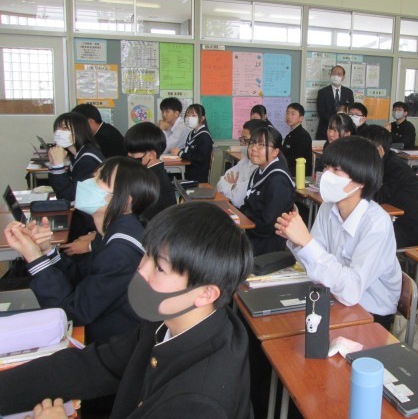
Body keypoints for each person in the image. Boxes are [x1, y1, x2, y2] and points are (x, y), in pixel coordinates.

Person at [0, 202, 253, 419]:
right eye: (147, 255)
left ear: (206, 293)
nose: (141, 270)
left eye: (160, 268)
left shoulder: (198, 401)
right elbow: (96, 365)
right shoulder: (171, 319)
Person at [3, 157, 158, 343]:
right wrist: (46, 251)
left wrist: (35, 259)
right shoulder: (112, 231)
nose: (88, 183)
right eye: (94, 176)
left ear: (125, 202)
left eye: (100, 179)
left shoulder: (120, 252)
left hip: (110, 345)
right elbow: (83, 279)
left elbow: (70, 313)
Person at [276, 136, 402, 328]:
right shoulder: (328, 208)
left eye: (336, 170)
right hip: (333, 296)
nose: (327, 175)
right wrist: (297, 240)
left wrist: (307, 242)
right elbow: (315, 265)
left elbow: (352, 291)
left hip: (370, 311)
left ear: (361, 180)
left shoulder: (377, 224)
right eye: (327, 168)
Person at [360, 126, 418, 248]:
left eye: (363, 148)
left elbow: (379, 197)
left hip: (407, 229)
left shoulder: (396, 168)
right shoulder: (380, 163)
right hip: (388, 220)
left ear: (379, 150)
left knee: (361, 235)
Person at [48, 112, 104, 239]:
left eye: (65, 128)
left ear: (79, 131)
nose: (59, 132)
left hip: (92, 224)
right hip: (83, 215)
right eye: (57, 128)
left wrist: (58, 166)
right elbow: (61, 189)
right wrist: (54, 164)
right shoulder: (77, 154)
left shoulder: (88, 159)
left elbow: (69, 196)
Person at [241, 126, 296, 255]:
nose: (254, 148)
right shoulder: (259, 171)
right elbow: (248, 205)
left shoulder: (279, 180)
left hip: (267, 244)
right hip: (252, 234)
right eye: (252, 143)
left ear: (275, 152)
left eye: (261, 145)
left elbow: (267, 225)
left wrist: (246, 220)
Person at [125, 122, 176, 222]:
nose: (129, 155)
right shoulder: (151, 174)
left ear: (151, 155)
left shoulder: (151, 184)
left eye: (133, 152)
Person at [216, 119, 262, 207]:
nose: (242, 144)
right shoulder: (244, 161)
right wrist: (234, 187)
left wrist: (232, 186)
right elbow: (219, 184)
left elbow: (239, 200)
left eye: (245, 140)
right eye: (241, 139)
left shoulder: (260, 168)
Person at [171, 104, 214, 184]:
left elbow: (200, 159)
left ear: (202, 118)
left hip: (197, 177)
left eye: (193, 115)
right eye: (187, 115)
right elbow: (189, 150)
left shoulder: (205, 136)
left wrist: (180, 153)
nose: (189, 118)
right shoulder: (192, 133)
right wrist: (180, 151)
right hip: (188, 171)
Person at [316, 65, 354, 140]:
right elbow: (321, 113)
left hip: (343, 132)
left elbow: (351, 110)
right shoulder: (322, 92)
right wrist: (335, 122)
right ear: (330, 75)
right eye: (334, 73)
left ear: (343, 77)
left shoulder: (348, 92)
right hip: (325, 131)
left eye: (339, 74)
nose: (336, 76)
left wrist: (345, 109)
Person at [282, 103, 313, 176]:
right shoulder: (290, 135)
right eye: (287, 113)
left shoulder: (303, 136)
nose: (289, 116)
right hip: (289, 170)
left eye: (293, 114)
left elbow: (297, 159)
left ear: (301, 118)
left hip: (299, 174)